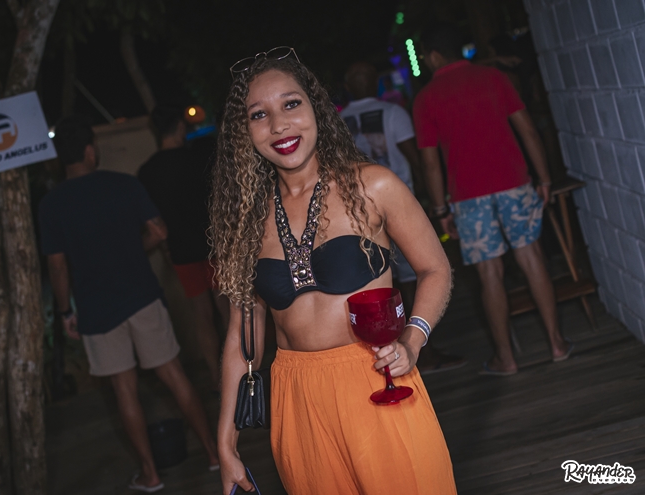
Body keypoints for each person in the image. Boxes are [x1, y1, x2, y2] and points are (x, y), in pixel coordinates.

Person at [211, 48, 456, 494]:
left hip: (377, 378)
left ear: (316, 107)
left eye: (291, 104)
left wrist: (412, 340)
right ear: (244, 132)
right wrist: (226, 443)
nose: (279, 125)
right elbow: (241, 340)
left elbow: (435, 268)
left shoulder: (373, 185)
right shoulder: (246, 221)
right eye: (258, 114)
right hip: (297, 398)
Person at [39, 116, 219, 493]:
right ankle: (214, 454)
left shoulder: (51, 205)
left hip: (96, 309)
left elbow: (57, 266)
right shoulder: (123, 184)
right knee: (174, 376)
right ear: (90, 150)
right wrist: (133, 250)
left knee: (125, 391)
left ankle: (151, 475)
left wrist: (65, 310)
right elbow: (159, 231)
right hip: (141, 296)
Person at [413, 23, 573, 376]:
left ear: (434, 55)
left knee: (489, 275)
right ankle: (557, 343)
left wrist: (440, 209)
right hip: (514, 184)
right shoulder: (493, 77)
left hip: (468, 198)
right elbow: (527, 129)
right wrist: (544, 178)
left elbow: (430, 162)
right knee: (532, 259)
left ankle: (506, 358)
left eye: (424, 56)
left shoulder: (426, 98)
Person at [341, 61, 467, 375]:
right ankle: (421, 352)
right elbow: (415, 156)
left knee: (384, 285)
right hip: (395, 207)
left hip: (356, 216)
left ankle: (400, 351)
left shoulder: (339, 121)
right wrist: (426, 196)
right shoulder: (393, 112)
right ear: (375, 82)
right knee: (409, 281)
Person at [138, 106, 229, 392]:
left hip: (181, 251)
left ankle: (216, 377)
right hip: (214, 246)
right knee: (227, 311)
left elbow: (153, 219)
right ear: (179, 126)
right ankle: (237, 372)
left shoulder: (148, 172)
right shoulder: (199, 157)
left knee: (201, 315)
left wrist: (166, 250)